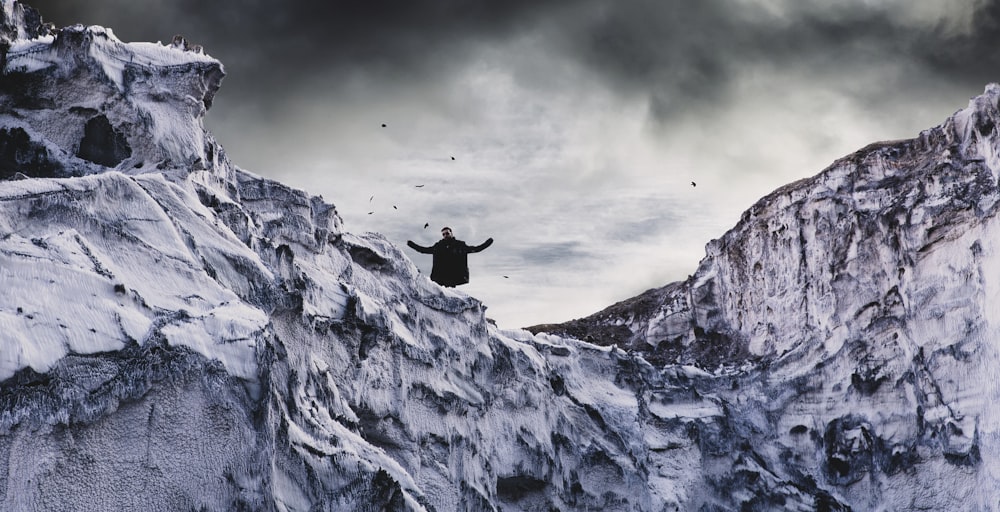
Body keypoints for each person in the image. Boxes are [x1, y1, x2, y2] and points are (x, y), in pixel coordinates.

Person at [407, 227, 493, 287]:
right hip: (440, 277)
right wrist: (411, 245)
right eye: (443, 234)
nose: (445, 235)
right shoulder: (438, 247)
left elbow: (476, 249)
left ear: (451, 233)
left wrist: (488, 243)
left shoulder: (460, 245)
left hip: (455, 277)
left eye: (447, 233)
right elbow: (423, 250)